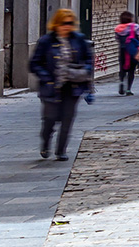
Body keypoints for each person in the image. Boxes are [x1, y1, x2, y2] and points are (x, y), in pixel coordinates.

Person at [28, 9, 94, 161]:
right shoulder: (46, 41)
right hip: (52, 86)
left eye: (70, 23)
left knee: (67, 118)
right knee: (50, 118)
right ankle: (45, 143)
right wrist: (45, 77)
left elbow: (88, 59)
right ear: (56, 24)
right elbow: (34, 64)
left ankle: (61, 150)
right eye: (64, 23)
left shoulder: (79, 39)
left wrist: (85, 71)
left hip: (73, 86)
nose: (67, 26)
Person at [113, 11, 139, 96]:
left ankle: (122, 82)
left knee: (122, 68)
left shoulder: (117, 28)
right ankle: (128, 89)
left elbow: (117, 39)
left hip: (122, 50)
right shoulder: (135, 27)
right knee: (131, 70)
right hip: (132, 51)